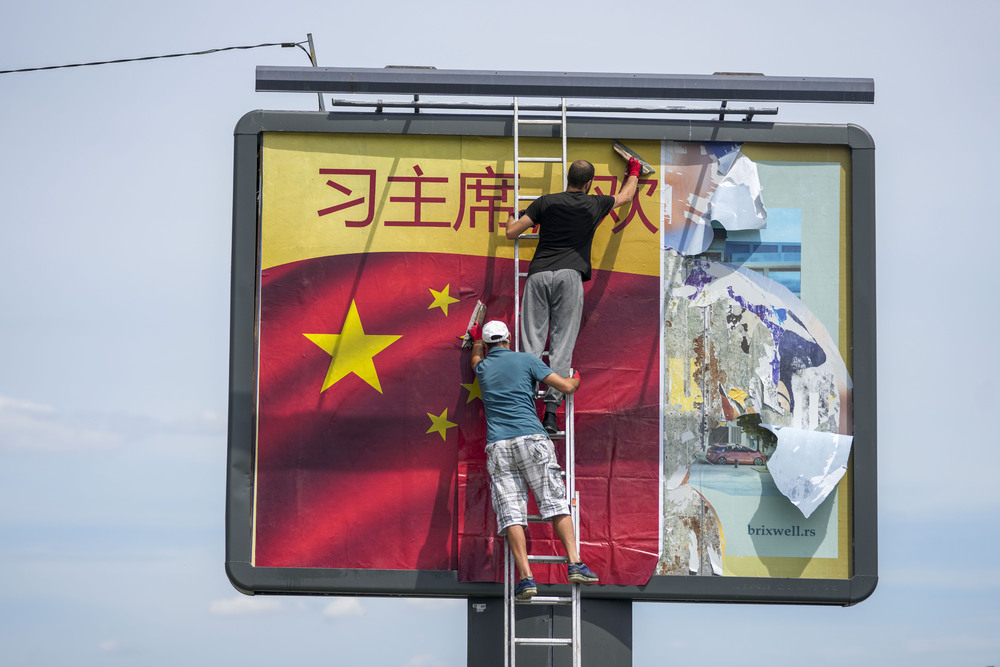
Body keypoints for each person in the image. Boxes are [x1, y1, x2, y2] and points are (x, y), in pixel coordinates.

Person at [505, 156, 642, 434]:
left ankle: (526, 410)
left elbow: (511, 233)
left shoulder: (545, 202)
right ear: (589, 183)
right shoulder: (595, 203)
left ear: (567, 178)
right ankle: (551, 415)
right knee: (562, 344)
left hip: (539, 274)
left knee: (532, 342)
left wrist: (514, 215)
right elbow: (627, 196)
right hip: (569, 276)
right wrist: (634, 171)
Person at [469, 319, 598, 599]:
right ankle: (575, 563)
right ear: (508, 338)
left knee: (511, 513)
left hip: (499, 446)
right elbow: (565, 386)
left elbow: (476, 356)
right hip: (530, 438)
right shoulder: (526, 360)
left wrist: (476, 341)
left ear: (489, 345)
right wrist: (575, 378)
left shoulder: (482, 368)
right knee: (554, 500)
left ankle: (526, 579)